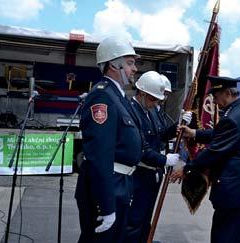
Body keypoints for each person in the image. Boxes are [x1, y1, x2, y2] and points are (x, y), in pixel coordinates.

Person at [171, 75, 240, 243]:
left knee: (224, 237)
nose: (213, 101)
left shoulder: (233, 118)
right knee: (233, 235)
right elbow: (220, 135)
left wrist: (187, 169)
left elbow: (214, 151)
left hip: (234, 191)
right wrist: (194, 133)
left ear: (228, 93)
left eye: (215, 95)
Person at [75, 36, 143, 243]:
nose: (135, 69)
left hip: (120, 184)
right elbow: (99, 154)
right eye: (130, 63)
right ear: (114, 65)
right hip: (108, 187)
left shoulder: (119, 96)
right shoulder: (102, 96)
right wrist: (106, 205)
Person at [125, 71, 191, 243]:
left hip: (152, 174)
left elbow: (160, 134)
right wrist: (164, 160)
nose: (156, 103)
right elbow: (140, 147)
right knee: (134, 220)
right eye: (153, 99)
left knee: (146, 217)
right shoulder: (131, 111)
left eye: (157, 100)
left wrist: (179, 124)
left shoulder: (151, 110)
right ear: (141, 93)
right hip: (139, 172)